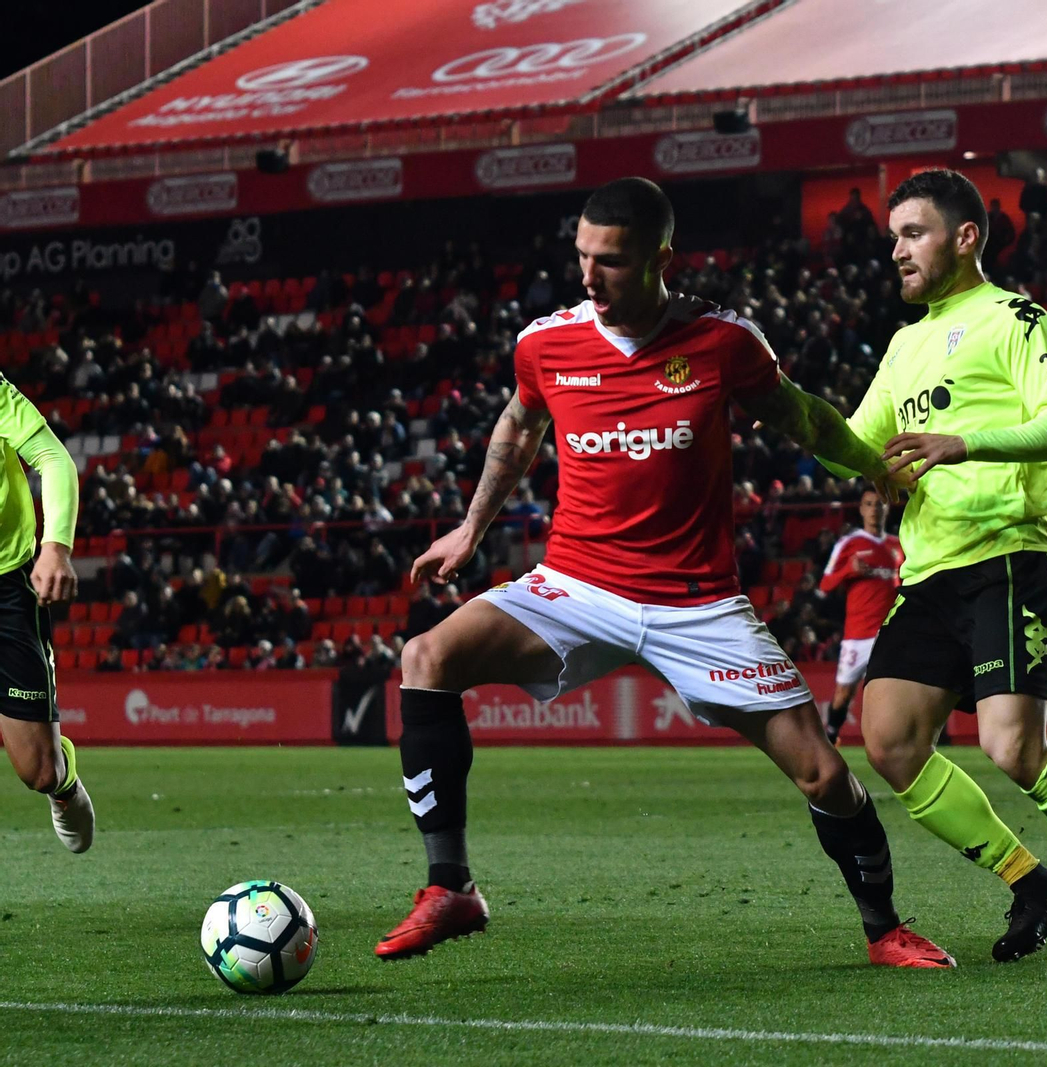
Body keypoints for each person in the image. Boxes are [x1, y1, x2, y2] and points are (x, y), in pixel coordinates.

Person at [375, 178, 953, 969]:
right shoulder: (547, 344)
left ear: (660, 259)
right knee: (426, 658)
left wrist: (872, 467)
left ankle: (883, 927)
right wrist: (472, 527)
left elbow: (805, 417)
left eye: (609, 261)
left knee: (823, 773)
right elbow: (520, 419)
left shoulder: (721, 344)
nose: (588, 277)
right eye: (581, 257)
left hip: (696, 604)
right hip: (576, 587)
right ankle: (451, 887)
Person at [820, 168, 1047, 964]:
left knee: (1013, 747)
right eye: (893, 238)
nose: (897, 251)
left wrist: (964, 442)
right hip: (930, 570)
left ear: (966, 236)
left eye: (913, 234)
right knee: (891, 742)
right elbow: (856, 442)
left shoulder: (1017, 318)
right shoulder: (906, 343)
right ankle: (1033, 882)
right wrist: (771, 399)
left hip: (1010, 554)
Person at [0, 374, 93, 852]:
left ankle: (63, 781)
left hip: (6, 584)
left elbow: (53, 459)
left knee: (38, 770)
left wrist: (55, 548)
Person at [818, 488, 902, 744]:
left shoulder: (898, 545)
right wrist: (848, 570)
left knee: (895, 692)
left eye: (879, 504)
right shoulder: (849, 544)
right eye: (869, 504)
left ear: (887, 508)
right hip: (858, 633)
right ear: (861, 509)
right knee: (844, 692)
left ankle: (897, 740)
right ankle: (831, 735)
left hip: (892, 633)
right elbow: (824, 585)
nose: (875, 509)